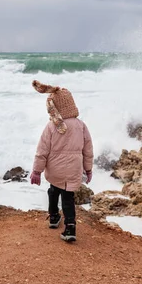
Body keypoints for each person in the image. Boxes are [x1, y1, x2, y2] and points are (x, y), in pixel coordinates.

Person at [30, 80, 93, 242]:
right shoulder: (81, 125)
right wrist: (88, 169)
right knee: (68, 197)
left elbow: (42, 151)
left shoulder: (51, 126)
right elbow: (88, 150)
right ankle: (70, 227)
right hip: (73, 170)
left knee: (53, 190)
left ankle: (53, 217)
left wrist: (37, 171)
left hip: (55, 170)